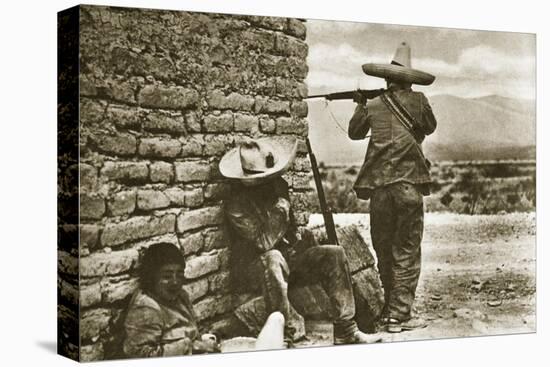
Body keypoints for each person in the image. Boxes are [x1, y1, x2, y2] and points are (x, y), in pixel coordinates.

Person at [220, 137, 382, 345]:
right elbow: (264, 244)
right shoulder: (237, 206)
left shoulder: (277, 189)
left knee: (333, 253)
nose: (270, 183)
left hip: (285, 260)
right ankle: (287, 335)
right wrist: (281, 208)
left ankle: (346, 329)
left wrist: (300, 239)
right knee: (274, 257)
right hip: (255, 270)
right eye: (264, 180)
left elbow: (292, 231)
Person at [348, 42, 437, 333]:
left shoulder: (373, 105)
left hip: (379, 190)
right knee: (407, 250)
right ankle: (399, 315)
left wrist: (362, 103)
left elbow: (355, 132)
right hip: (408, 187)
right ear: (409, 80)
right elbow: (429, 127)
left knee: (384, 248)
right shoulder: (420, 101)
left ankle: (389, 309)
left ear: (387, 79)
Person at [122, 243, 220, 358]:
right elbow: (141, 357)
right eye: (167, 277)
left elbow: (190, 329)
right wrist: (192, 347)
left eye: (179, 275)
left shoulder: (180, 296)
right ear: (152, 277)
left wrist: (204, 340)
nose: (175, 282)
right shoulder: (146, 308)